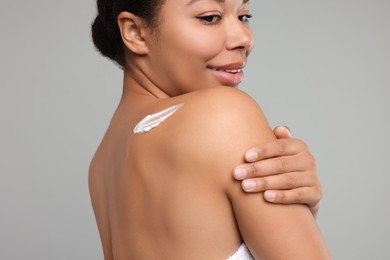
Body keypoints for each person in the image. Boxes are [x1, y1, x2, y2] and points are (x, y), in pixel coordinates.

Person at [89, 0, 330, 259]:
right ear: (135, 32)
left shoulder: (103, 162)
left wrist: (297, 215)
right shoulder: (223, 114)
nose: (244, 38)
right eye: (210, 17)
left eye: (244, 16)